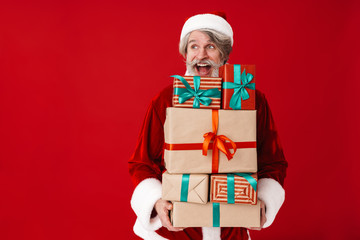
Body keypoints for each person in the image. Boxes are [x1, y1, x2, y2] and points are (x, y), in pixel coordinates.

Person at [128, 12, 288, 240]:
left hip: (231, 229)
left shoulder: (252, 100)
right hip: (176, 230)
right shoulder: (165, 100)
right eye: (194, 46)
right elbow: (142, 162)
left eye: (210, 46)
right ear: (185, 53)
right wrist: (156, 202)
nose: (201, 55)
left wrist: (263, 200)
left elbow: (273, 161)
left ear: (224, 52)